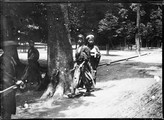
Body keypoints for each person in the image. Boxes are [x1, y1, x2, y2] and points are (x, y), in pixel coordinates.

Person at [0, 41, 25, 120]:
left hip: (10, 86)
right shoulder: (4, 59)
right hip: (6, 87)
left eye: (13, 49)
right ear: (6, 49)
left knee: (9, 109)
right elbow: (5, 74)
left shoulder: (10, 58)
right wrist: (15, 81)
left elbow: (13, 71)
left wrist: (17, 80)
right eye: (11, 49)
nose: (13, 50)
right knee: (6, 110)